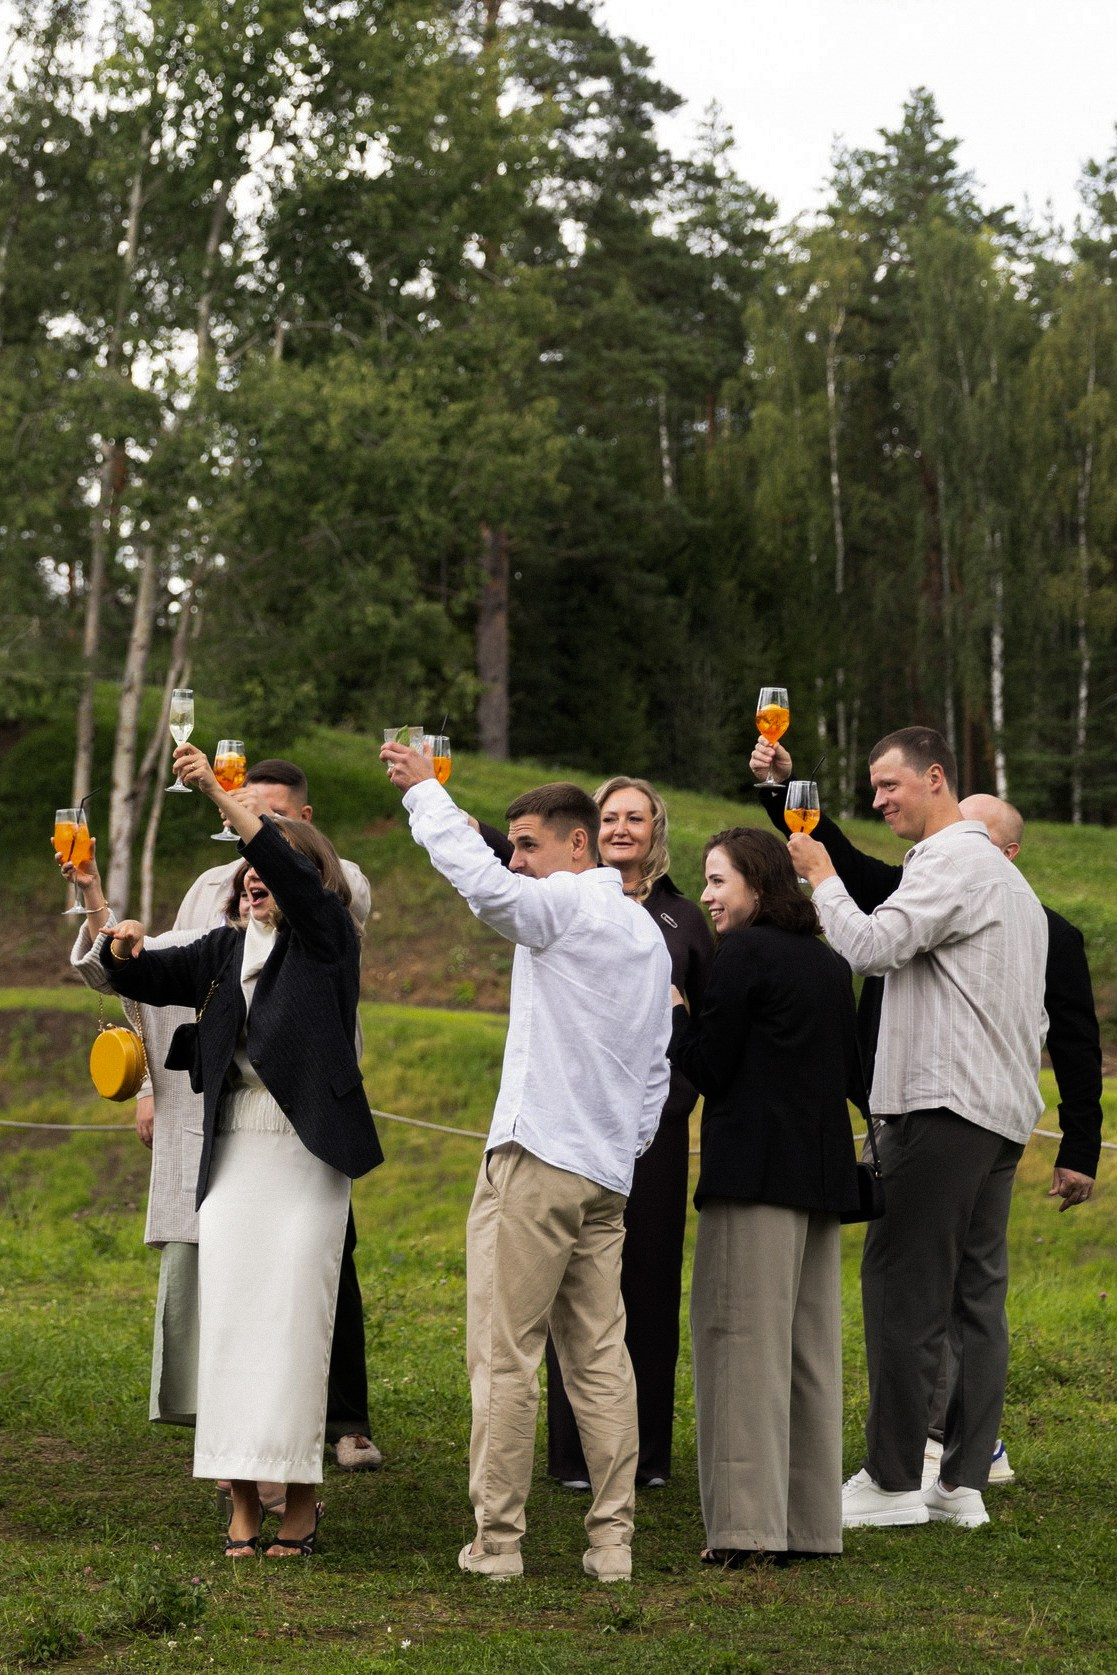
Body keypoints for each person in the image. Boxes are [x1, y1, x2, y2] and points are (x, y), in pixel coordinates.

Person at [751, 744, 1103, 1484]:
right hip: (996, 1115)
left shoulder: (951, 863)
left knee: (901, 1293)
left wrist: (819, 878)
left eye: (889, 784)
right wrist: (784, 795)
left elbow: (870, 947)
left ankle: (893, 1478)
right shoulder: (1012, 891)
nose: (877, 799)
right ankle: (962, 1481)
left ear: (935, 778)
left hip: (940, 1109)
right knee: (977, 1300)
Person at [381, 741, 672, 1582]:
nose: (515, 860)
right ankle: (612, 1542)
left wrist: (426, 796)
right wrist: (622, 1145)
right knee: (600, 1357)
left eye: (527, 844)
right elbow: (657, 1066)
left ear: (578, 845)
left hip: (539, 1157)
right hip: (604, 1174)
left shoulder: (567, 904)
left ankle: (499, 1542)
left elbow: (486, 890)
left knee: (505, 1353)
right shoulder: (647, 935)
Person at [100, 743, 383, 1558]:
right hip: (232, 1153)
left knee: (293, 1324)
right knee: (230, 1321)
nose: (256, 879)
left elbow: (289, 871)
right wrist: (121, 943)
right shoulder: (225, 949)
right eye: (250, 872)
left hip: (304, 1154)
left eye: (271, 868)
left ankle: (300, 1497)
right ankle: (243, 1499)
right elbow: (147, 975)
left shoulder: (328, 938)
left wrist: (223, 798)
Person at [669, 828, 863, 1567]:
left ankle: (745, 1529)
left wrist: (677, 1013)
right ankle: (810, 1527)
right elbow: (852, 1070)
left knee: (740, 1347)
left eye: (718, 880)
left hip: (752, 1179)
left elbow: (711, 1067)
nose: (708, 896)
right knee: (808, 1354)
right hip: (820, 1182)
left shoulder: (743, 953)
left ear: (756, 881)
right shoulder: (828, 961)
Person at [543, 778, 712, 1490]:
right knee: (575, 1279)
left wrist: (678, 1097)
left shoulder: (684, 919)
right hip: (578, 1121)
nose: (620, 828)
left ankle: (645, 1455)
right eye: (609, 816)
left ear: (654, 829)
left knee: (647, 1280)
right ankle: (575, 1454)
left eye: (634, 818)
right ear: (589, 828)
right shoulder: (568, 901)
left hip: (656, 1128)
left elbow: (706, 1020)